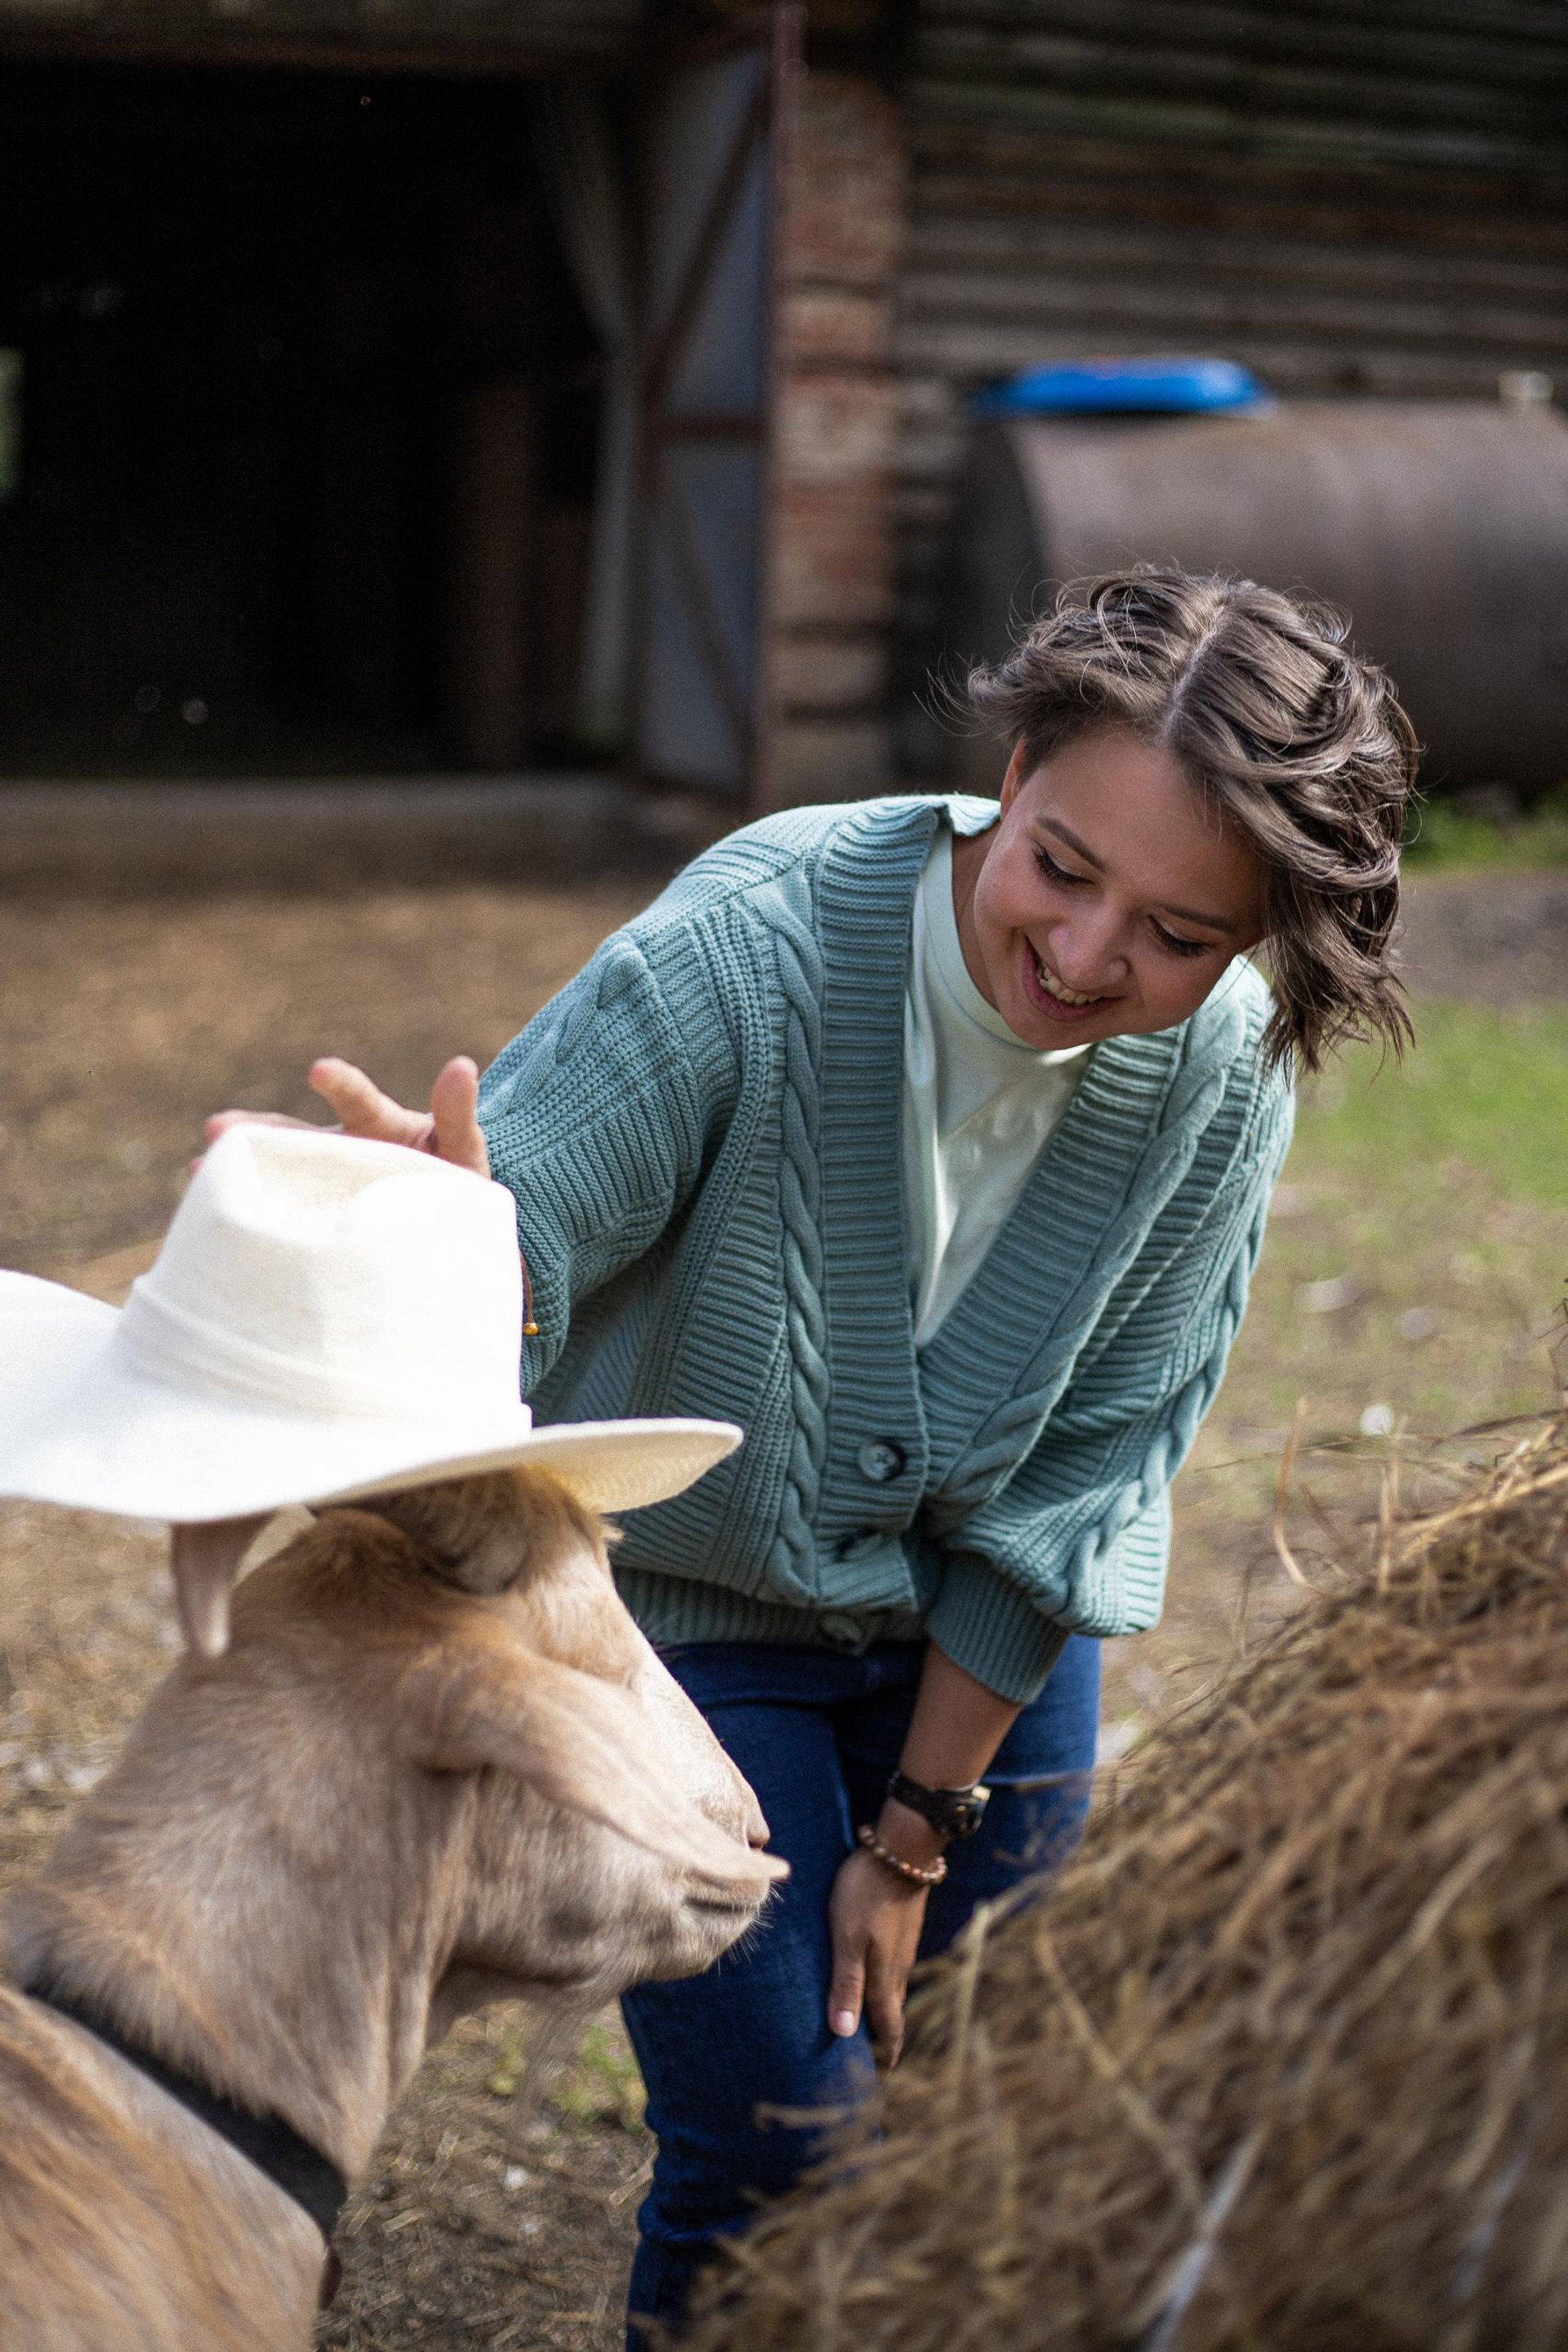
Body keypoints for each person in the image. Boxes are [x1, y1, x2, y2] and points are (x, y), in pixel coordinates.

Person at [208, 569, 1417, 2345]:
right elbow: (517, 1229)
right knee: (788, 2147)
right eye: (1063, 867)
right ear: (1013, 773)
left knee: (999, 2100)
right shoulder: (752, 950)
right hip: (680, 1619)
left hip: (979, 1637)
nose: (1090, 957)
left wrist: (916, 1836)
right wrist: (436, 1247)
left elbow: (1084, 1481)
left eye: (1177, 936)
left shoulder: (1225, 1073)